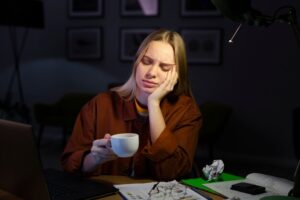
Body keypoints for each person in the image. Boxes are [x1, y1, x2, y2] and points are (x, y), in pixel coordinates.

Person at [61, 28, 202, 181]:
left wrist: (153, 103)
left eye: (164, 67)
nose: (152, 72)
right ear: (136, 63)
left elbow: (170, 172)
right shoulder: (100, 104)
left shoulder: (186, 111)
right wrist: (95, 158)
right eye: (146, 62)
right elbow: (69, 165)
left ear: (177, 75)